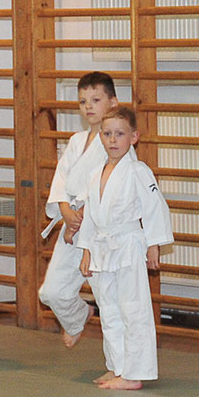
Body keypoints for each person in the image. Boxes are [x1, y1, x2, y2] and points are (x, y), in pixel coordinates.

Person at [76, 105, 173, 390]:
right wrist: (86, 250)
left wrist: (153, 245)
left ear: (134, 137)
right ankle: (117, 366)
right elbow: (91, 216)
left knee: (133, 310)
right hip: (102, 248)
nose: (113, 140)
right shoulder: (96, 173)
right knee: (108, 309)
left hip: (129, 245)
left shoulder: (138, 171)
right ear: (101, 137)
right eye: (107, 134)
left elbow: (155, 207)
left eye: (120, 134)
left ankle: (134, 373)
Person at [38, 71, 118, 348]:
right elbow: (61, 178)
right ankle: (77, 317)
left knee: (108, 301)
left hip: (98, 232)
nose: (88, 107)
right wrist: (64, 209)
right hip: (71, 224)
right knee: (52, 292)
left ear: (113, 103)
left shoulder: (115, 143)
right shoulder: (76, 141)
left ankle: (120, 364)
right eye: (83, 101)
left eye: (96, 100)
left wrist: (80, 218)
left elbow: (109, 188)